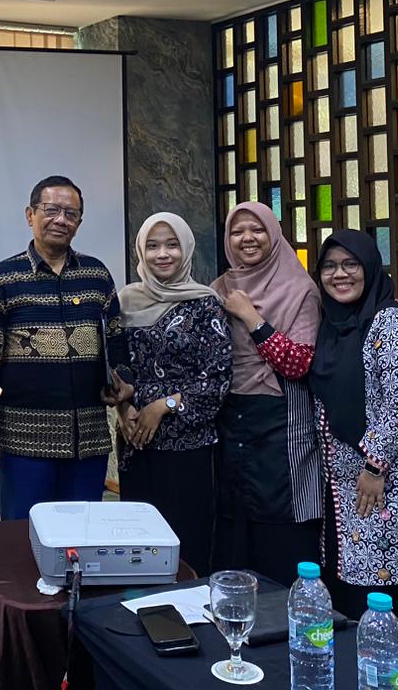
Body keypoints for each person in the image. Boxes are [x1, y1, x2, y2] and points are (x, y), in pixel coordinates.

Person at [310, 231, 398, 659]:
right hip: (352, 490)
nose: (339, 274)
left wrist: (374, 466)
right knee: (364, 604)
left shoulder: (390, 323)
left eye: (350, 264)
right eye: (329, 266)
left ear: (370, 268)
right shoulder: (333, 326)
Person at [0, 175, 132, 520]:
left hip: (87, 442)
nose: (61, 220)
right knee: (22, 537)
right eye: (51, 210)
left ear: (79, 222)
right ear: (30, 215)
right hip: (23, 443)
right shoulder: (4, 278)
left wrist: (123, 379)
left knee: (82, 538)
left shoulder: (97, 275)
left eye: (70, 213)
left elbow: (117, 341)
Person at [210, 201, 322, 586]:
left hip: (281, 422)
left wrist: (251, 317)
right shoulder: (218, 289)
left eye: (257, 229)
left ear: (273, 234)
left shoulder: (300, 289)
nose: (247, 238)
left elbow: (298, 363)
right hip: (230, 419)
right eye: (237, 231)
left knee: (281, 535)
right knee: (234, 528)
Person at [116, 212, 232, 574]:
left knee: (186, 543)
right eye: (152, 246)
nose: (162, 254)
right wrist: (123, 407)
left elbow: (218, 376)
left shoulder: (205, 303)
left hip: (188, 447)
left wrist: (164, 405)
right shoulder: (125, 301)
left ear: (186, 249)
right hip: (136, 443)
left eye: (172, 245)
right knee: (137, 543)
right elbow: (115, 366)